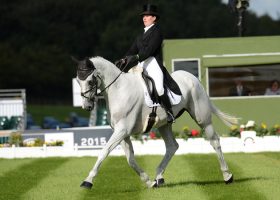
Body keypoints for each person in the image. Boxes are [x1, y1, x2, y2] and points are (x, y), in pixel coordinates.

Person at [115, 4, 181, 123]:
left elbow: (149, 50)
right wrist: (123, 59)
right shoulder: (140, 35)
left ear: (154, 18)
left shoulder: (157, 31)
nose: (144, 18)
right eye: (143, 16)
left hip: (153, 62)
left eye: (147, 16)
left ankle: (170, 112)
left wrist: (136, 57)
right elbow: (132, 50)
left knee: (160, 89)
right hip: (141, 64)